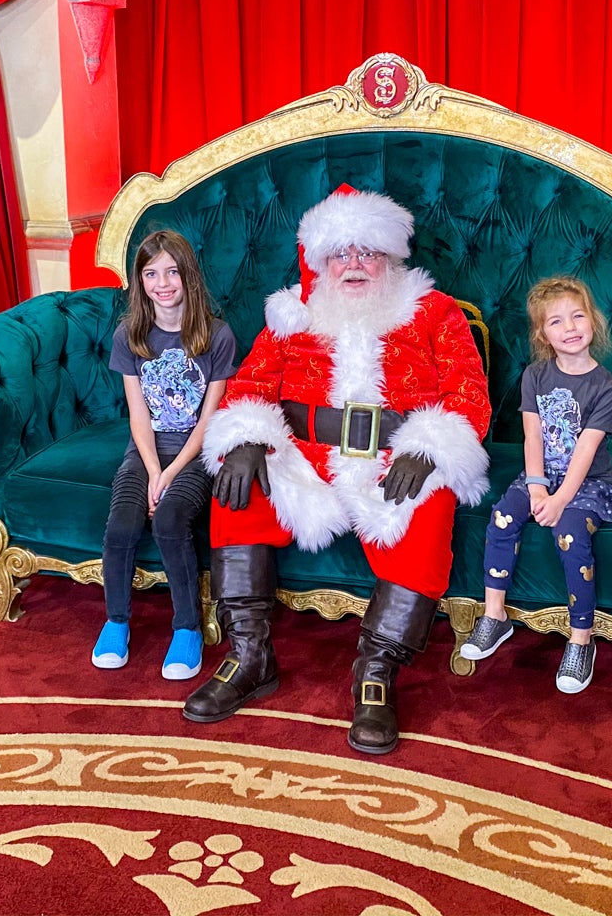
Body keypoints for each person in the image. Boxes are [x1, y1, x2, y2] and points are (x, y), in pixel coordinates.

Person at [185, 185, 491, 754]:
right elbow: (250, 384)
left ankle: (375, 673)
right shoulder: (289, 315)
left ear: (392, 256)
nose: (354, 265)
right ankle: (250, 656)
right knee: (239, 484)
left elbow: (468, 395)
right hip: (304, 454)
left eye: (367, 251)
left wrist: (429, 448)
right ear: (320, 262)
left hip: (393, 457)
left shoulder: (435, 312)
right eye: (340, 254)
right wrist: (249, 436)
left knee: (431, 500)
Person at [458, 276, 612, 693]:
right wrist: (537, 489)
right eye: (556, 322)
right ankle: (495, 614)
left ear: (593, 320)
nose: (569, 327)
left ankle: (580, 640)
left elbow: (587, 451)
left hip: (586, 480)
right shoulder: (536, 376)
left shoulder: (605, 386)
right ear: (543, 333)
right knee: (502, 517)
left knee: (569, 532)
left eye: (577, 316)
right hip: (541, 474)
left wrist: (559, 502)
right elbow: (532, 436)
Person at [97, 229, 236, 681]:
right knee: (121, 524)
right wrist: (153, 470)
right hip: (146, 451)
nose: (163, 283)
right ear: (140, 281)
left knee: (172, 521)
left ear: (188, 276)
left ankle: (187, 628)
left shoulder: (216, 335)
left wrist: (173, 473)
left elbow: (209, 421)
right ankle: (116, 621)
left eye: (172, 271)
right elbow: (138, 417)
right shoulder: (130, 335)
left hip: (196, 454)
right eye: (151, 273)